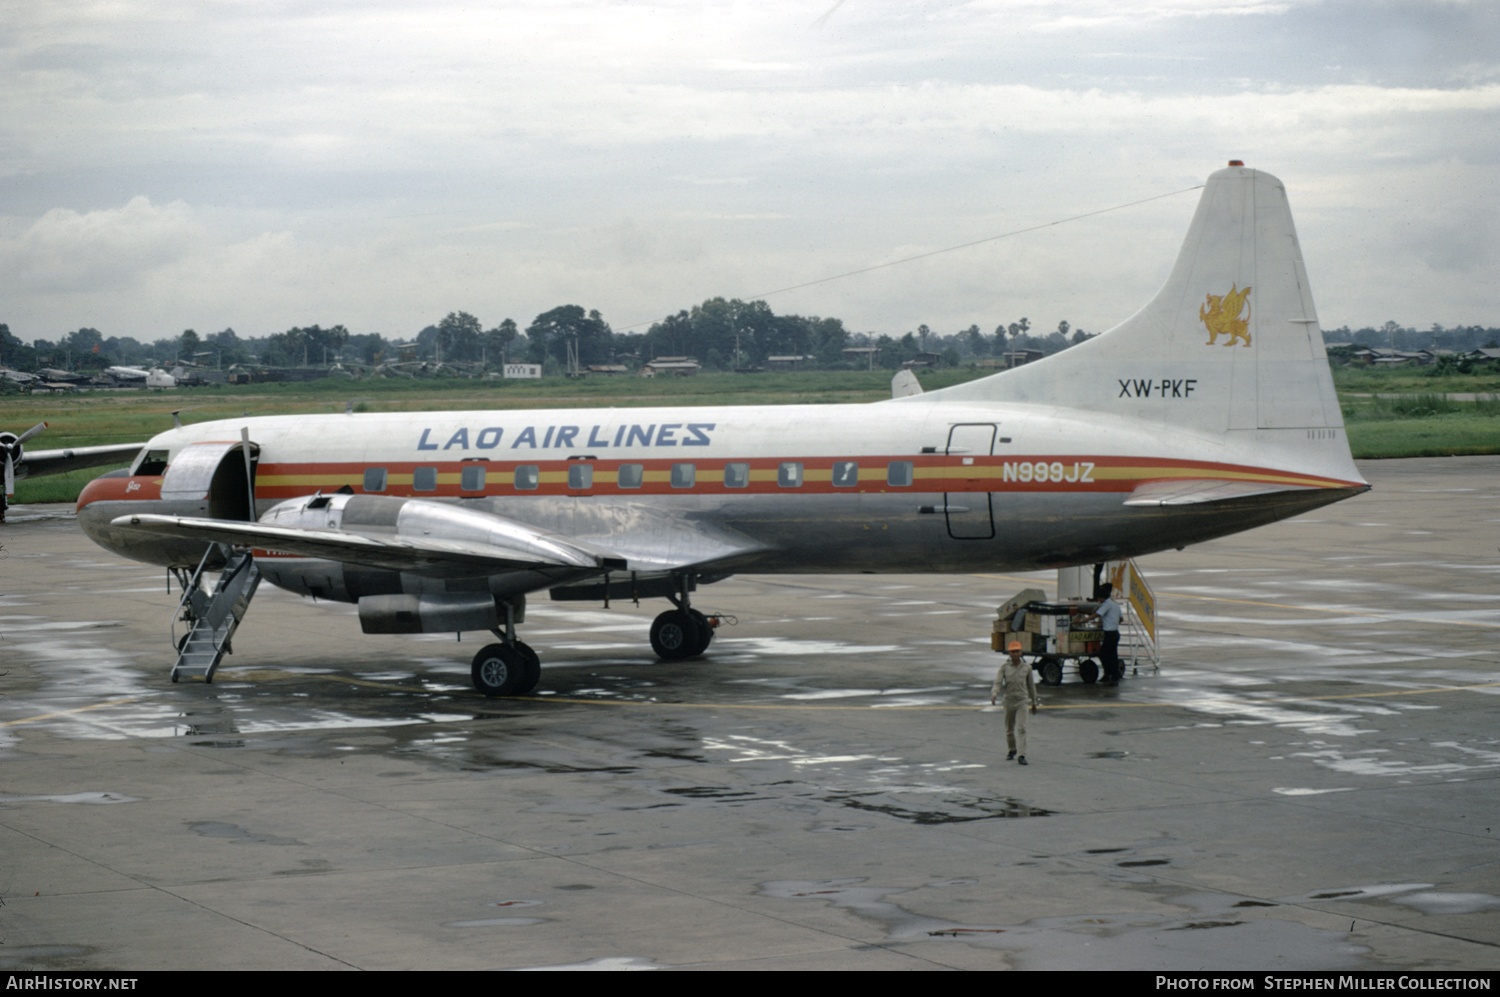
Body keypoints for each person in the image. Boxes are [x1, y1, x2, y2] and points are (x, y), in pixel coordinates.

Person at [990, 640, 1039, 765]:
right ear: (1009, 653)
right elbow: (998, 682)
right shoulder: (1004, 667)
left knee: (1022, 728)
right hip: (1009, 701)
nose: (1015, 654)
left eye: (1017, 651)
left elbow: (1031, 686)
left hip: (1022, 701)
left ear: (1021, 652)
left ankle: (1022, 755)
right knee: (1009, 729)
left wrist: (1034, 702)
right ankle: (1012, 750)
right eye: (1013, 652)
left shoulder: (1027, 668)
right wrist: (994, 694)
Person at [1088, 582, 1123, 685]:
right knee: (1113, 655)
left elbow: (1096, 615)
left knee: (1103, 654)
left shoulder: (1106, 604)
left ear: (1101, 597)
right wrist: (1111, 622)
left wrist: (1083, 620)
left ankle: (1108, 674)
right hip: (1115, 633)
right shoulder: (1115, 604)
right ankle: (1114, 676)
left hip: (1109, 634)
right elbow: (1121, 619)